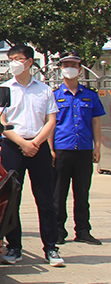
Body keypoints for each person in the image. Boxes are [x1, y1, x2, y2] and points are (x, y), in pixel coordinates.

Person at [0, 45, 63, 267]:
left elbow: (51, 120)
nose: (14, 63)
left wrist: (35, 143)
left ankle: (51, 247)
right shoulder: (3, 89)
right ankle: (14, 247)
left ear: (30, 62)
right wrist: (22, 143)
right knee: (11, 199)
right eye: (11, 59)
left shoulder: (44, 90)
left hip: (38, 147)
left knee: (45, 199)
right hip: (13, 146)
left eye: (18, 59)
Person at [52, 52, 105, 246]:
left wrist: (97, 147)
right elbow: (50, 123)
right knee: (59, 193)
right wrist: (50, 149)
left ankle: (83, 230)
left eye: (73, 65)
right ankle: (58, 231)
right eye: (66, 65)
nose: (70, 68)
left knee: (82, 193)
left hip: (83, 149)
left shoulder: (90, 95)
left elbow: (96, 122)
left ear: (80, 69)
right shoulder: (54, 96)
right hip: (61, 149)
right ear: (60, 69)